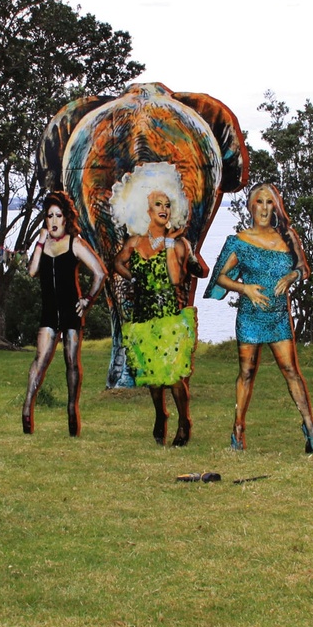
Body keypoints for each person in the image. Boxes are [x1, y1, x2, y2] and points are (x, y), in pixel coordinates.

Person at [204, 183, 313, 453]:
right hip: (250, 316)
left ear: (276, 207)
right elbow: (219, 277)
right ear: (251, 206)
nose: (265, 208)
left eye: (270, 202)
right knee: (246, 373)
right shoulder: (239, 241)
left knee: (291, 371)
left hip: (279, 316)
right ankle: (237, 430)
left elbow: (303, 268)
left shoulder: (287, 236)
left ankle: (311, 430)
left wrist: (292, 276)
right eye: (260, 202)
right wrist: (244, 288)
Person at [110, 163, 208, 446]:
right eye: (158, 204)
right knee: (152, 378)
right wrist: (133, 278)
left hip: (169, 318)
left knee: (175, 377)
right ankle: (160, 415)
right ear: (147, 210)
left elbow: (176, 280)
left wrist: (168, 245)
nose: (163, 209)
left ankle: (184, 421)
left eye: (167, 204)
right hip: (144, 318)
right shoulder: (134, 242)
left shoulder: (177, 244)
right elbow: (117, 263)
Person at [22, 190, 106, 436]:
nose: (54, 221)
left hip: (71, 312)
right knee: (40, 360)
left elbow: (100, 273)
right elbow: (32, 271)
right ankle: (27, 408)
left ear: (66, 218)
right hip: (49, 312)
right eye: (50, 216)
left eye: (58, 215)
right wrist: (40, 242)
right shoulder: (43, 244)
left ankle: (71, 408)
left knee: (71, 362)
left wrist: (87, 300)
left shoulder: (74, 243)